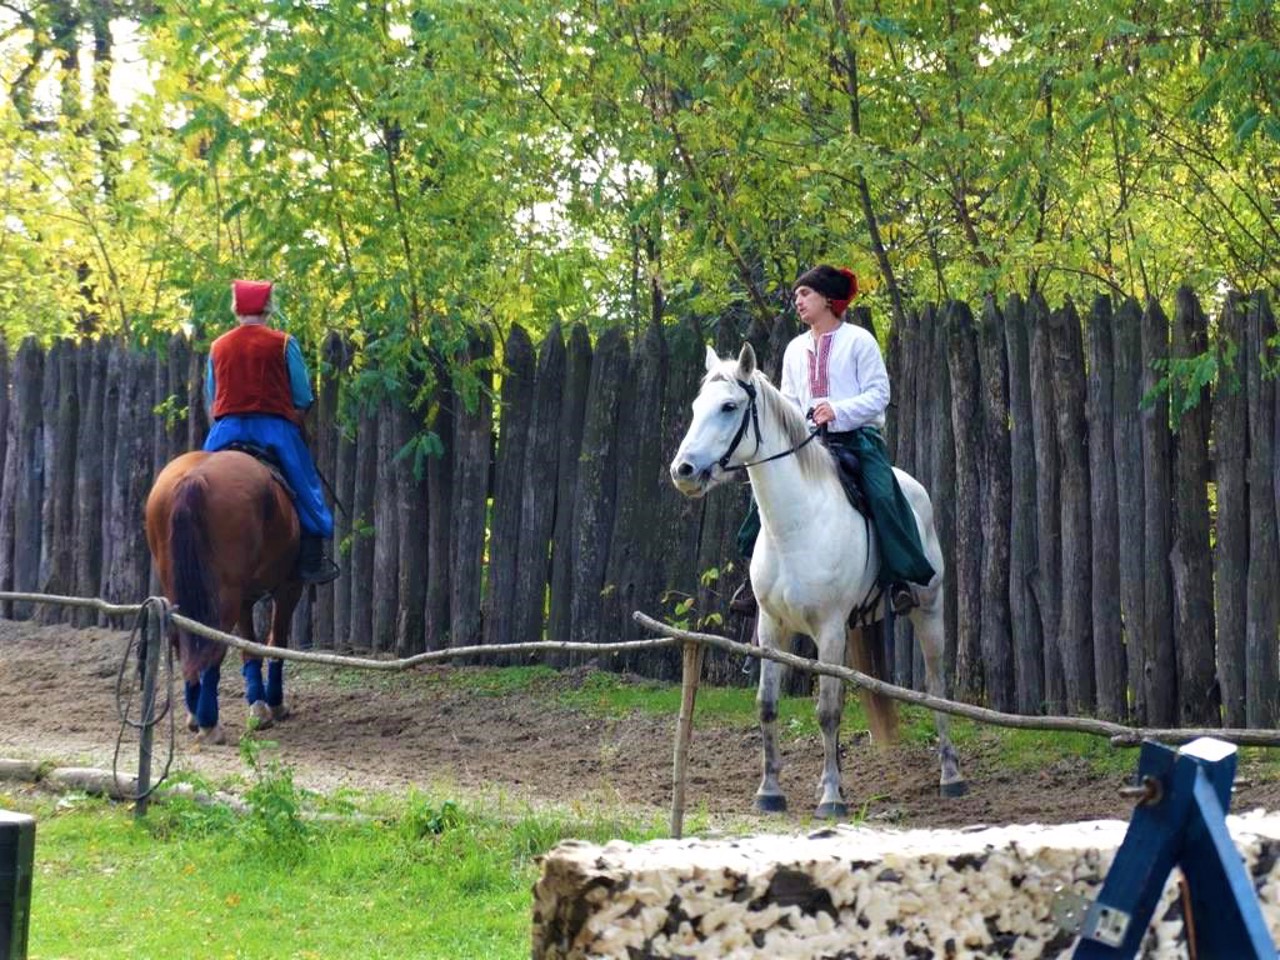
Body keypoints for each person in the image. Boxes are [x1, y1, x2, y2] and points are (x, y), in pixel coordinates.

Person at [730, 264, 933, 617]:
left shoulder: (859, 340)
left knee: (883, 492)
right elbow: (790, 402)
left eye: (805, 293)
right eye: (796, 296)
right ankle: (755, 581)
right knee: (765, 496)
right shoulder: (794, 349)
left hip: (858, 440)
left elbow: (878, 393)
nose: (798, 301)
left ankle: (900, 578)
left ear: (827, 299)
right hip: (807, 444)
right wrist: (797, 425)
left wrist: (836, 410)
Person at [203, 279, 340, 584]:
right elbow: (303, 395)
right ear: (268, 308)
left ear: (236, 309)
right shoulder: (283, 342)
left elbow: (213, 396)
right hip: (273, 428)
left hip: (226, 430)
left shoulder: (218, 346)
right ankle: (312, 557)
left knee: (198, 481)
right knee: (305, 486)